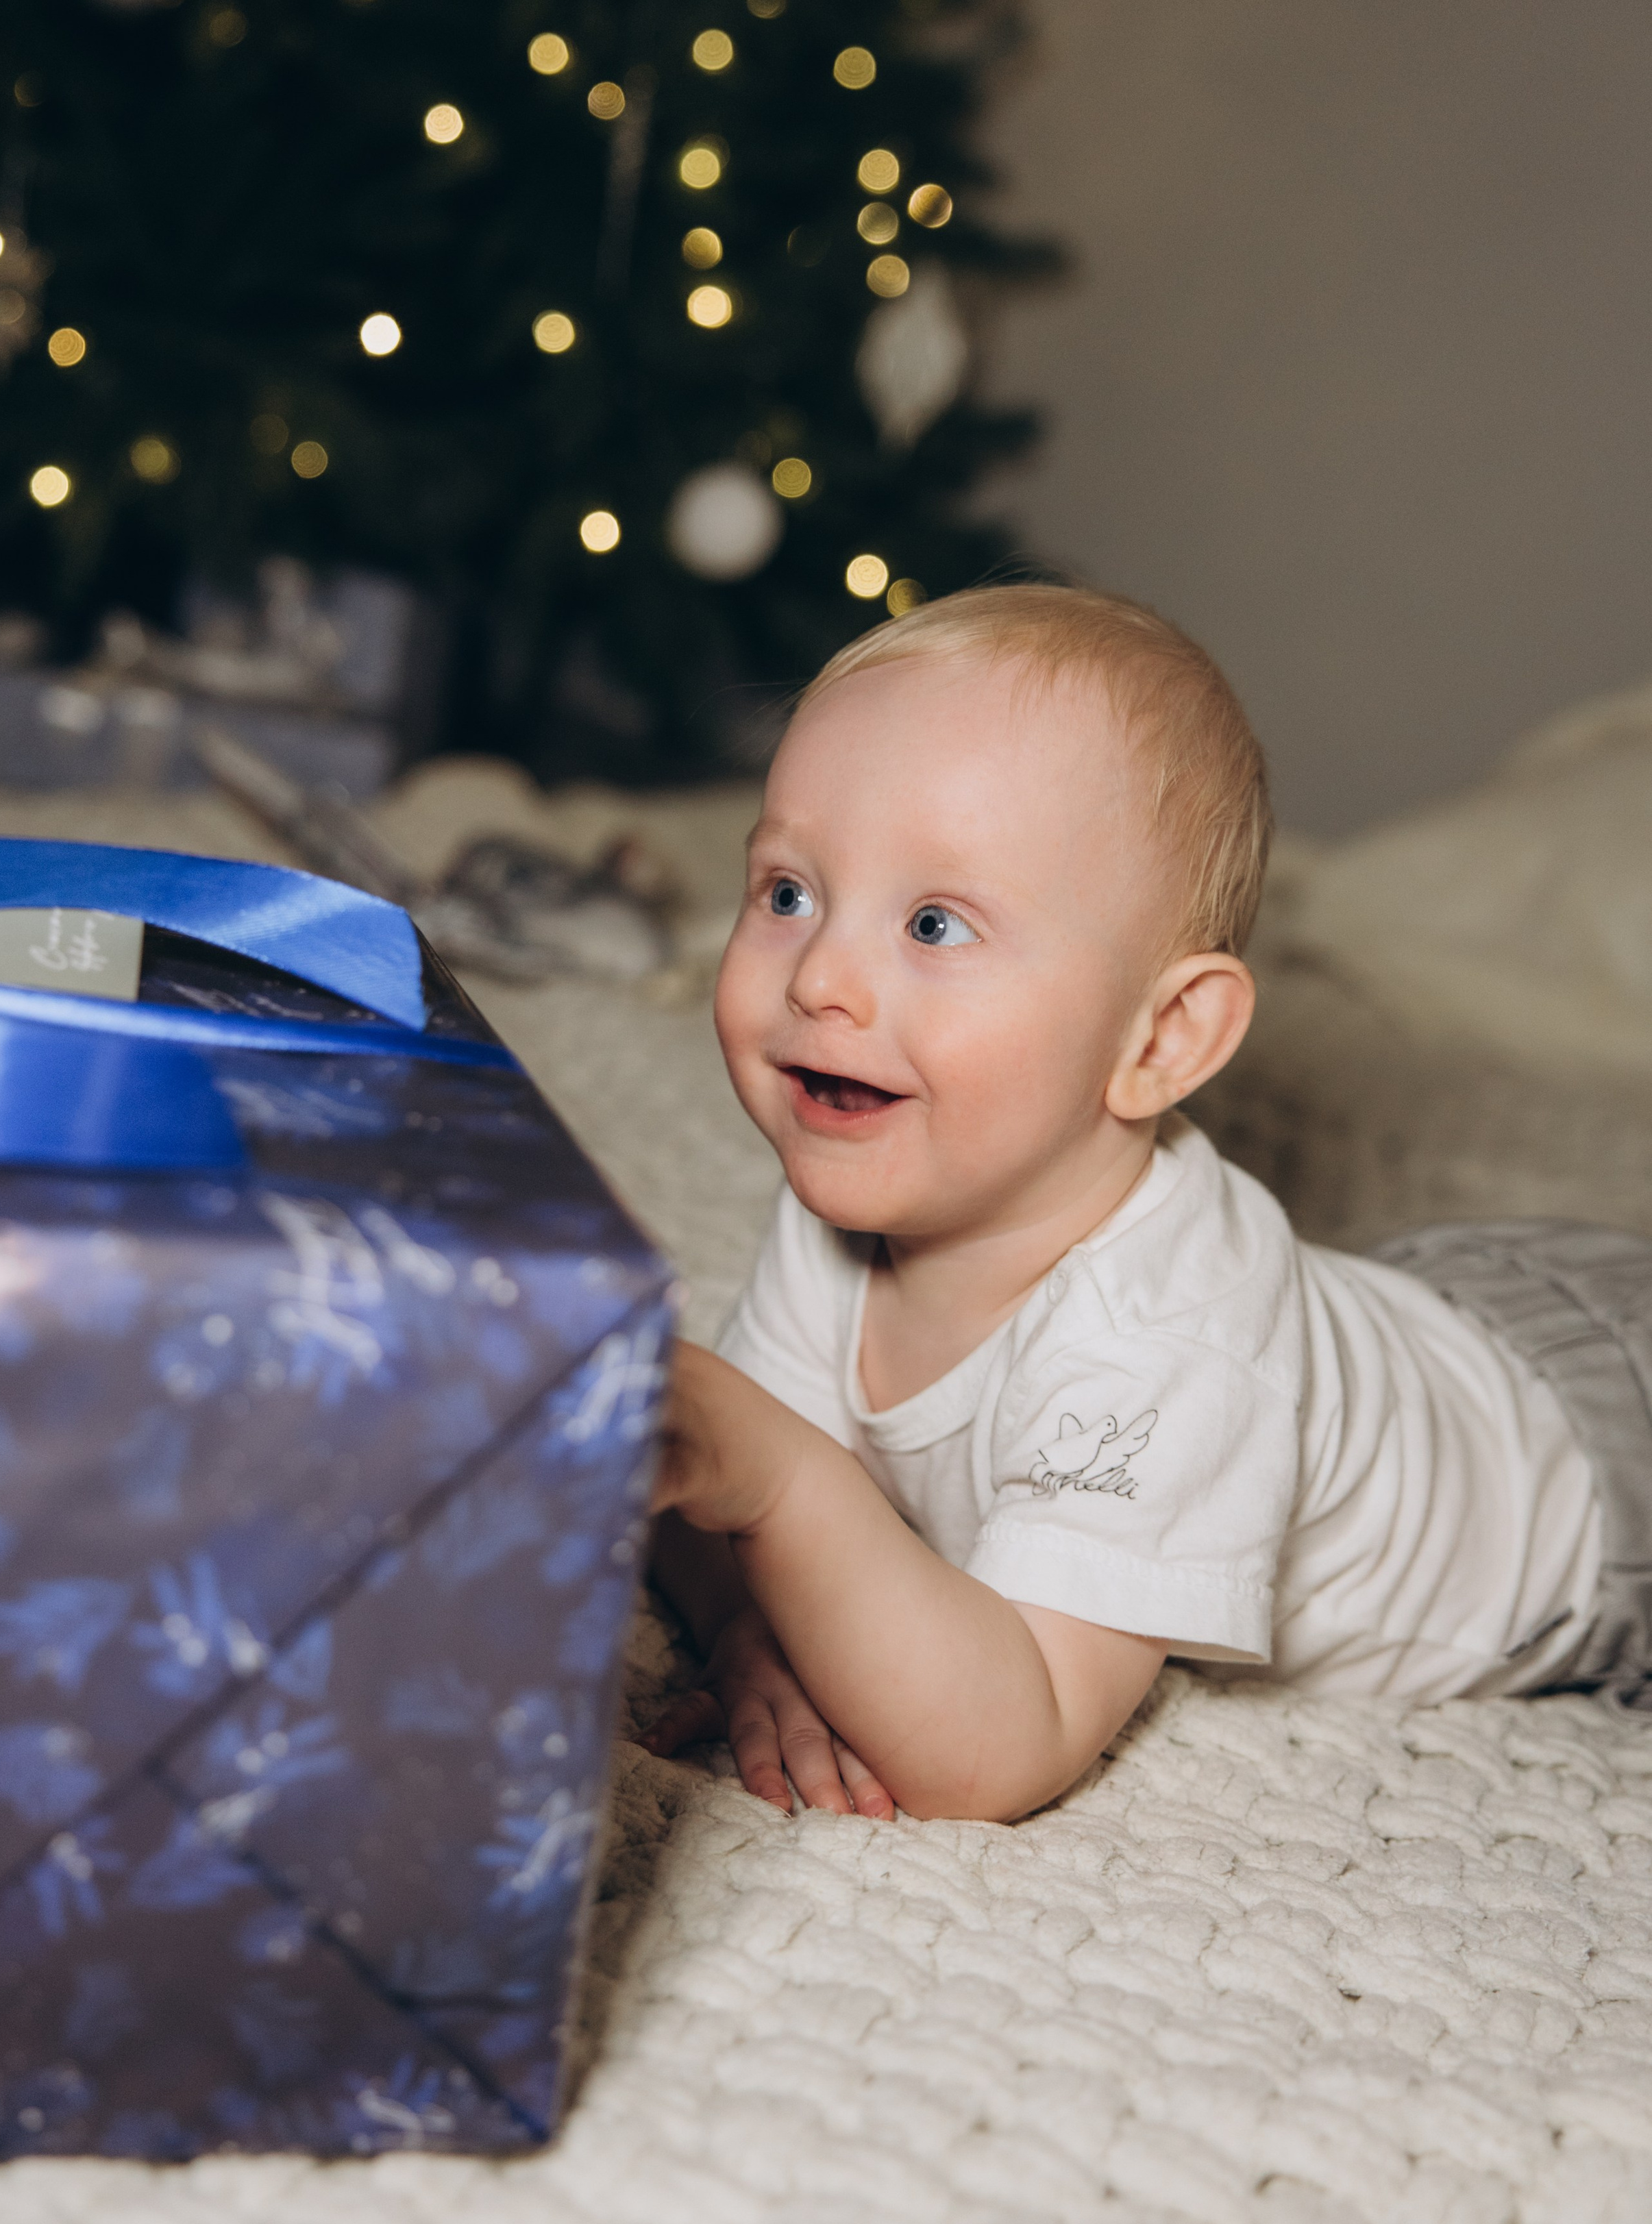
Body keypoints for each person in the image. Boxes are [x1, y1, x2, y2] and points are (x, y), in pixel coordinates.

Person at [642, 585, 1652, 1824]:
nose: (823, 976)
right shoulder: (850, 1210)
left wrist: (780, 1483)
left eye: (934, 922)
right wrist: (753, 1626)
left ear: (1164, 1038)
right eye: (789, 892)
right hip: (1442, 1310)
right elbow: (706, 1489)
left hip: (1603, 1479)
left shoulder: (1171, 1337)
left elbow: (1001, 1744)